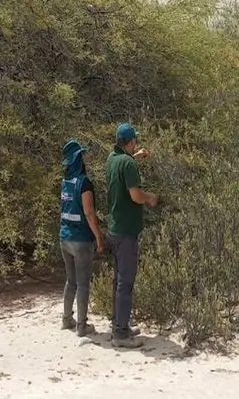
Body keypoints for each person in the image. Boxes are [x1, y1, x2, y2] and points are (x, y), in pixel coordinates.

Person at [105, 123, 157, 348]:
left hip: (114, 228)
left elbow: (123, 163)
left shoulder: (112, 159)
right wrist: (150, 197)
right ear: (132, 141)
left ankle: (119, 323)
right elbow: (135, 195)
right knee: (126, 282)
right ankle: (121, 334)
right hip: (127, 230)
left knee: (118, 279)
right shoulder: (127, 164)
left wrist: (135, 157)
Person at [58, 139, 102, 336]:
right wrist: (99, 237)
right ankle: (82, 326)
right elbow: (89, 213)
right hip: (81, 239)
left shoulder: (65, 181)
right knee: (83, 283)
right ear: (78, 159)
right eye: (82, 155)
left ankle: (67, 319)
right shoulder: (84, 183)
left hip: (64, 237)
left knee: (71, 281)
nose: (85, 158)